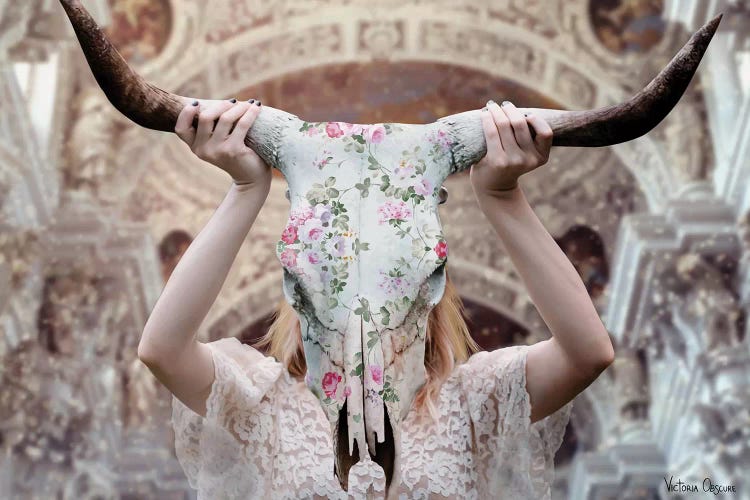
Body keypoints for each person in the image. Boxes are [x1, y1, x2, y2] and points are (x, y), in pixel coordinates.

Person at [138, 98, 615, 499]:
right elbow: (163, 350)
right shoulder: (262, 403)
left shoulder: (471, 403)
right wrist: (245, 190)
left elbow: (587, 353)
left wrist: (503, 197)